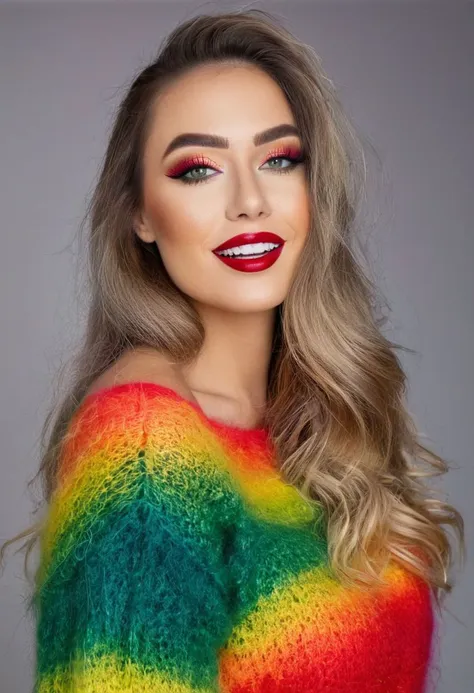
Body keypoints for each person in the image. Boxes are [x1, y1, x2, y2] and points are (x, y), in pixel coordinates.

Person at [0, 8, 465, 693]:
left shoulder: (316, 414)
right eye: (198, 170)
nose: (250, 200)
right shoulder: (145, 449)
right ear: (139, 214)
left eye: (279, 159)